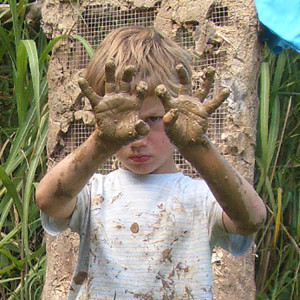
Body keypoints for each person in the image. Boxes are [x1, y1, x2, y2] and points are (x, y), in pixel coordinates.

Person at [35, 26, 266, 299]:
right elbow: (48, 198)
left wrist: (198, 147)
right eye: (122, 123)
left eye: (154, 120)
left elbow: (252, 217)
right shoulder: (95, 192)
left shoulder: (201, 198)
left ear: (177, 113)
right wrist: (102, 142)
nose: (137, 137)